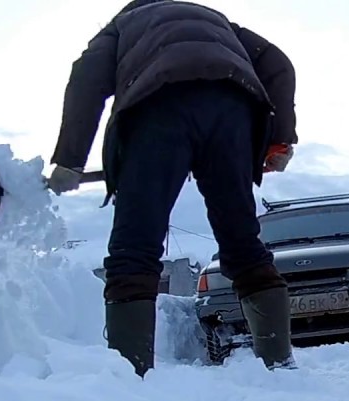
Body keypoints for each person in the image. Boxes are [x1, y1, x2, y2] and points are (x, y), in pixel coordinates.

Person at [45, 0, 298, 377]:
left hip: (157, 108)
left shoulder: (123, 25)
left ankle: (132, 380)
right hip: (231, 108)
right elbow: (277, 63)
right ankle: (279, 367)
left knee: (135, 248)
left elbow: (86, 76)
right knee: (243, 243)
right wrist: (280, 139)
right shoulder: (218, 22)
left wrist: (69, 160)